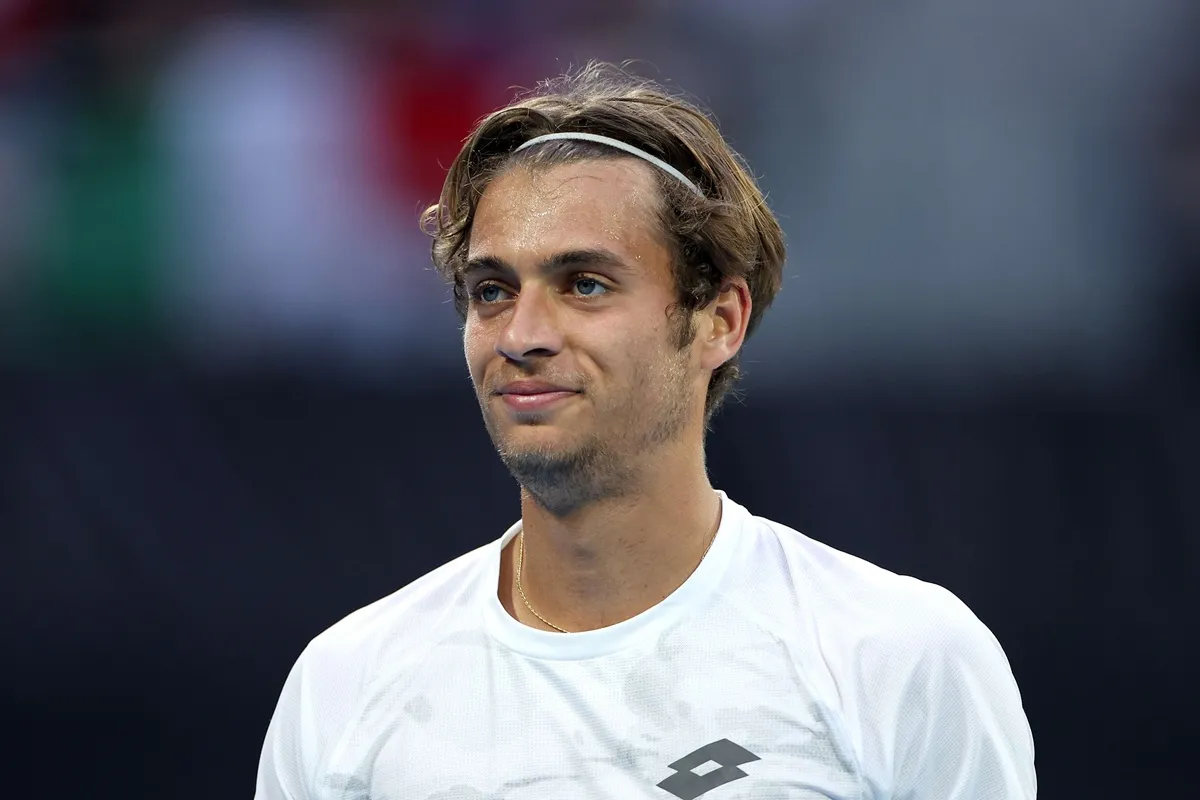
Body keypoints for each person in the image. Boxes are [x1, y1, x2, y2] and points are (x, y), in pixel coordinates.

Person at [255, 62, 1036, 799]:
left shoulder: (901, 658)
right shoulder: (345, 687)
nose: (521, 333)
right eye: (491, 290)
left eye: (584, 284)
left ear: (719, 320)